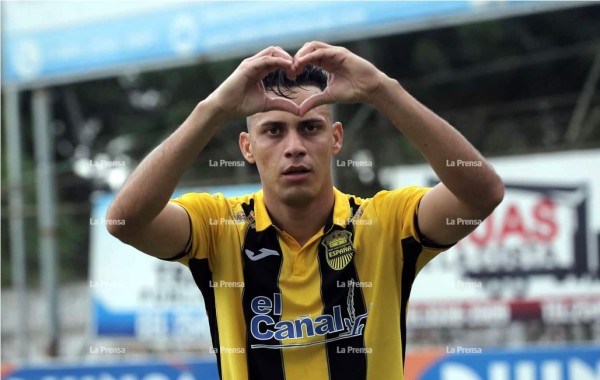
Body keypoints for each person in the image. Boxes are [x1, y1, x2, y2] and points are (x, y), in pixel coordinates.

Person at [107, 41, 504, 380]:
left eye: (310, 128)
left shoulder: (384, 222)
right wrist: (212, 109)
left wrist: (383, 90)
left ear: (335, 139)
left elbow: (481, 195)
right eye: (274, 131)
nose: (294, 146)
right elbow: (124, 221)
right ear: (248, 147)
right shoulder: (218, 227)